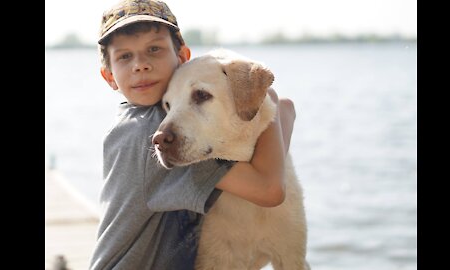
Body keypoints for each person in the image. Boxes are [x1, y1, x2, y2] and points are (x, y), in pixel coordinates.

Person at [89, 0, 296, 269]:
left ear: (183, 57)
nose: (140, 65)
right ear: (109, 77)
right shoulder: (151, 134)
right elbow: (268, 189)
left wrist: (270, 102)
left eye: (154, 49)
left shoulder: (160, 119)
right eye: (125, 56)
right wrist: (272, 103)